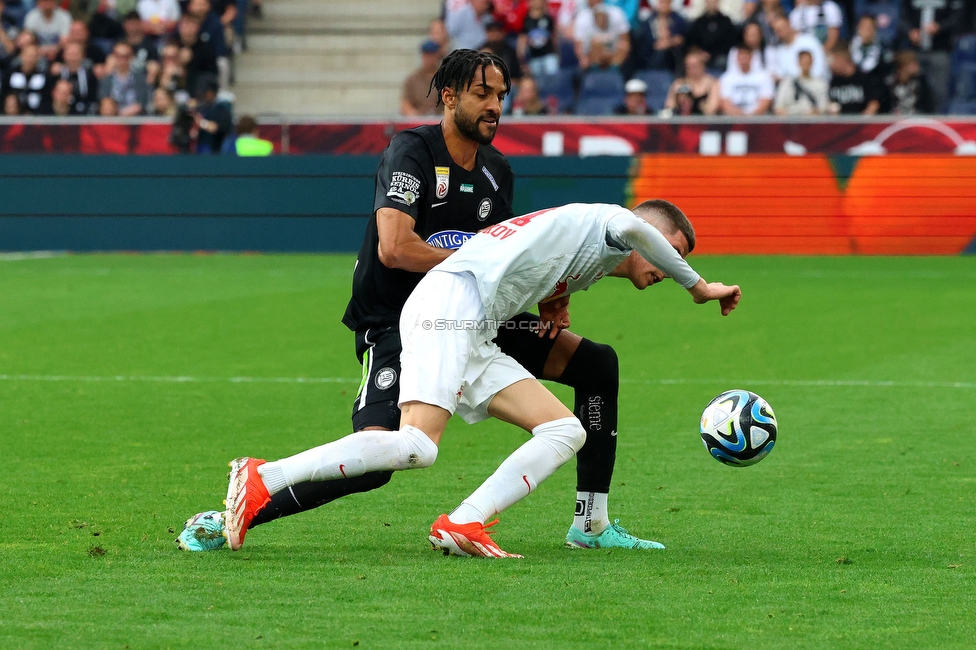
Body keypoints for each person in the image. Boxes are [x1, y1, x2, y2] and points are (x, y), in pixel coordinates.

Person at [177, 49, 678, 554]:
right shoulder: (411, 152)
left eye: (501, 96)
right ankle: (232, 516)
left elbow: (510, 254)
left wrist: (554, 293)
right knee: (383, 456)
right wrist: (472, 264)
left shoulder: (496, 171)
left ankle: (590, 525)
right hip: (398, 320)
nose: (495, 107)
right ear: (449, 95)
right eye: (483, 94)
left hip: (476, 316)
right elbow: (394, 249)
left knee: (595, 365)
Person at [221, 198, 741, 557]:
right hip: (450, 305)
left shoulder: (592, 248)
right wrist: (695, 286)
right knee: (417, 447)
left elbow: (541, 258)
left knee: (565, 430)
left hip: (475, 325)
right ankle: (264, 477)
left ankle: (464, 522)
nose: (668, 262)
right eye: (670, 250)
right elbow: (633, 229)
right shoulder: (613, 222)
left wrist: (555, 299)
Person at [633, 0, 688, 73]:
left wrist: (669, 42)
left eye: (666, 2)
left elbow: (681, 39)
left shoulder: (679, 20)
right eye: (662, 2)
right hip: (651, 55)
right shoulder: (649, 21)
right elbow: (648, 42)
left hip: (672, 55)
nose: (664, 6)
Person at [769, 12, 827, 80]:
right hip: (792, 86)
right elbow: (780, 74)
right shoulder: (779, 51)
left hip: (815, 82)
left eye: (782, 28)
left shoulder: (808, 40)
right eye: (777, 31)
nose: (780, 33)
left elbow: (820, 65)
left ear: (789, 24)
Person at [827, 44, 883, 114]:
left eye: (832, 60)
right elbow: (832, 104)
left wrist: (862, 121)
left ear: (841, 58)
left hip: (862, 122)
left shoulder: (865, 79)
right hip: (841, 123)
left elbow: (874, 103)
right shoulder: (834, 82)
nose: (830, 64)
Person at [718, 44, 774, 115]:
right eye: (740, 55)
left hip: (758, 120)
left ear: (751, 57)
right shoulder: (726, 78)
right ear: (736, 57)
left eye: (746, 55)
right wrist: (740, 116)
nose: (743, 58)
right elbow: (725, 102)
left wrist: (750, 117)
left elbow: (766, 101)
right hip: (733, 120)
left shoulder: (764, 77)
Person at [99, 41, 150, 116]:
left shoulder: (140, 79)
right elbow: (103, 102)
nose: (122, 60)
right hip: (112, 121)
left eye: (126, 56)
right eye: (118, 56)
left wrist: (131, 110)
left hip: (135, 121)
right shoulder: (106, 80)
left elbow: (142, 103)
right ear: (113, 57)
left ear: (132, 57)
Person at [663, 48, 720, 115]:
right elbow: (669, 106)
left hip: (705, 123)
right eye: (688, 66)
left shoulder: (713, 83)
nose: (691, 69)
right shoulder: (679, 83)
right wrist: (679, 101)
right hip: (683, 122)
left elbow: (712, 109)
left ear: (702, 65)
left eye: (694, 66)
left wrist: (699, 105)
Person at [685, 0, 737, 71]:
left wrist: (712, 55)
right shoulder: (698, 22)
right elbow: (692, 42)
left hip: (720, 56)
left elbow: (730, 44)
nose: (711, 2)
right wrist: (700, 53)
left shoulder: (726, 22)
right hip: (701, 56)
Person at [774, 48, 829, 114]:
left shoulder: (821, 84)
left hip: (812, 121)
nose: (806, 64)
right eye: (803, 61)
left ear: (812, 62)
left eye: (808, 61)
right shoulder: (787, 83)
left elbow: (822, 107)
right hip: (791, 121)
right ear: (798, 62)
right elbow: (778, 106)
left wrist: (813, 112)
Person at [518, 0, 559, 78]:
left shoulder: (548, 18)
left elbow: (554, 37)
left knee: (553, 79)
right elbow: (522, 40)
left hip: (549, 54)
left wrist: (557, 53)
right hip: (534, 57)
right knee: (537, 81)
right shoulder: (526, 20)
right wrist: (522, 59)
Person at [401, 40, 443, 117]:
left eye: (432, 55)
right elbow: (406, 103)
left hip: (441, 121)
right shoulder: (412, 80)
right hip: (419, 121)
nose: (429, 58)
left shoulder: (446, 78)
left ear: (437, 56)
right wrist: (414, 115)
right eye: (426, 55)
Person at [888, 49, 933, 115]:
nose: (917, 66)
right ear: (902, 67)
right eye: (913, 63)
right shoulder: (889, 84)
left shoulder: (921, 83)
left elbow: (927, 106)